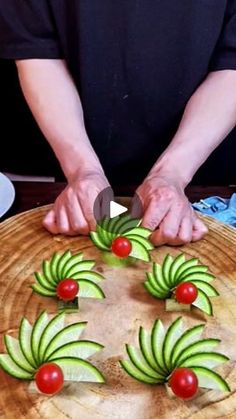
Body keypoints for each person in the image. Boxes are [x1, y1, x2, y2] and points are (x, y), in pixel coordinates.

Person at [0, 1, 236, 246]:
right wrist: (83, 170)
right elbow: (37, 50)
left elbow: (232, 65)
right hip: (73, 142)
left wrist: (172, 174)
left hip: (205, 156)